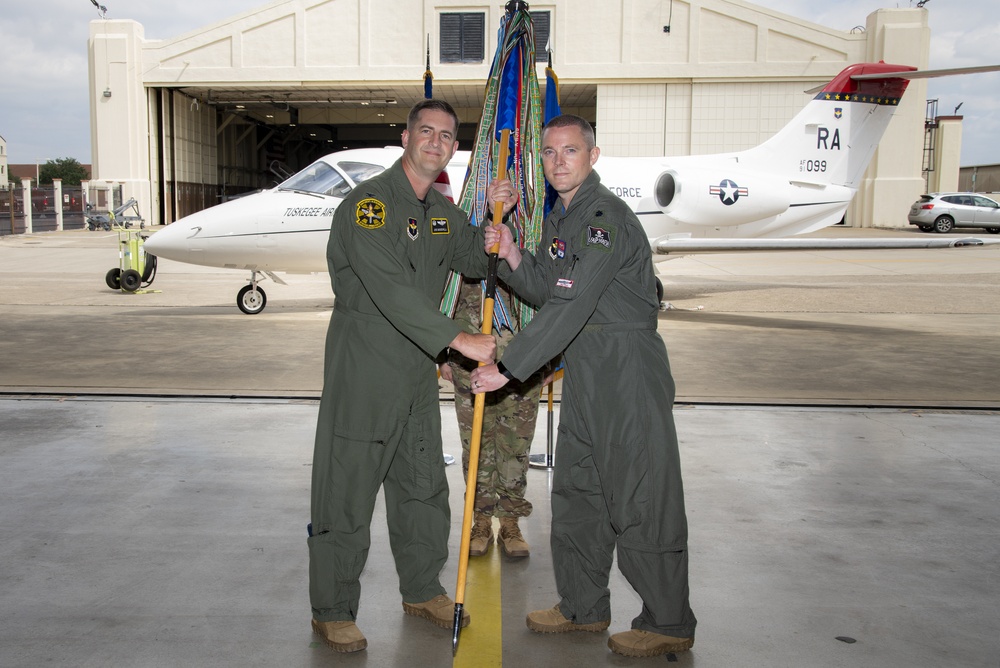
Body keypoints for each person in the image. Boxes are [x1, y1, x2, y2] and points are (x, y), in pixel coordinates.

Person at [471, 114, 697, 658]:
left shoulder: (605, 218)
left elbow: (572, 304)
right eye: (548, 153)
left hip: (627, 370)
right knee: (579, 492)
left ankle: (668, 620)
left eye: (569, 151)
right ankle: (582, 607)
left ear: (592, 156)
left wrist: (509, 366)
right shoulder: (563, 219)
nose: (557, 162)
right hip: (587, 369)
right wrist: (511, 255)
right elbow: (548, 290)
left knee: (640, 495)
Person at [308, 99, 508, 653]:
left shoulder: (440, 208)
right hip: (366, 368)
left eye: (447, 136)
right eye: (427, 131)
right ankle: (332, 609)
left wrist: (495, 227)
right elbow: (389, 287)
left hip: (418, 371)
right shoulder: (367, 207)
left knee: (422, 487)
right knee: (347, 490)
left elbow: (471, 253)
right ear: (406, 137)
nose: (436, 142)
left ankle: (422, 589)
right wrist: (458, 338)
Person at [440, 279, 546, 559]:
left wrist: (550, 359)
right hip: (468, 365)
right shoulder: (463, 240)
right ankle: (482, 522)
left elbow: (548, 301)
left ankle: (510, 523)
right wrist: (440, 356)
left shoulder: (528, 239)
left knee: (515, 449)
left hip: (522, 366)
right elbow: (442, 295)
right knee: (477, 448)